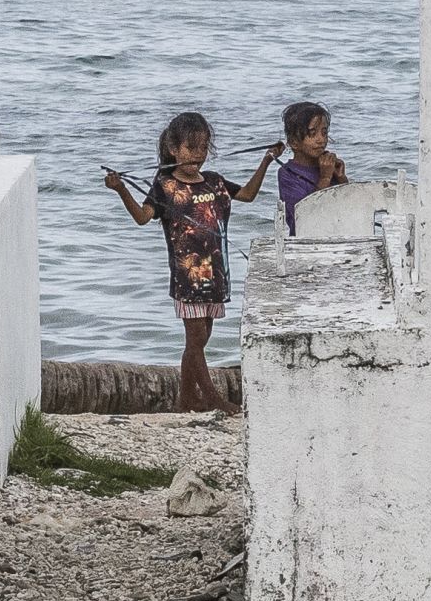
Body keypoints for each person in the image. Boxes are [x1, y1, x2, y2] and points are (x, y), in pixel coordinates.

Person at [102, 112, 279, 413]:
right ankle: (212, 398)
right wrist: (121, 189)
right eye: (191, 147)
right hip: (188, 276)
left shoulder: (214, 182)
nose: (198, 154)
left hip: (217, 274)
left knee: (200, 339)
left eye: (203, 147)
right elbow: (142, 217)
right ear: (173, 148)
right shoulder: (165, 186)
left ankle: (186, 399)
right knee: (195, 338)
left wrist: (266, 160)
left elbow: (248, 195)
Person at [276, 99, 347, 231]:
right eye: (312, 134)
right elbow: (304, 218)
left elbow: (348, 205)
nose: (321, 140)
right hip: (305, 242)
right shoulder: (287, 174)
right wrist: (325, 178)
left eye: (324, 133)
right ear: (294, 142)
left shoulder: (328, 167)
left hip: (335, 235)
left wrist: (341, 178)